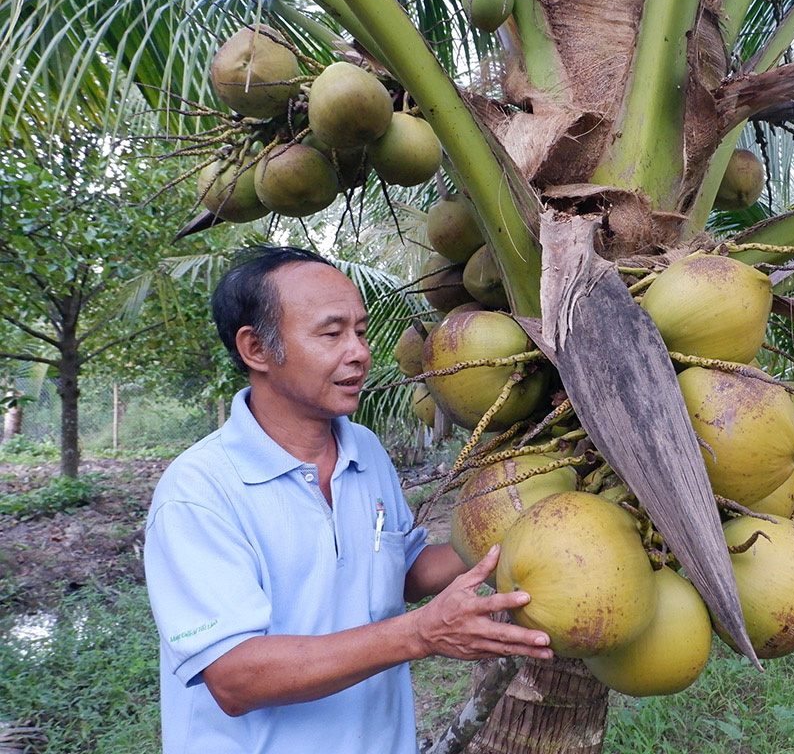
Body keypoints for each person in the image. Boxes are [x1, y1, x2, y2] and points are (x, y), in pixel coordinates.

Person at [144, 245, 553, 754]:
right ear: (257, 349)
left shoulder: (365, 451)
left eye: (359, 331)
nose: (359, 351)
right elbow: (235, 677)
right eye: (331, 333)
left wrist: (513, 525)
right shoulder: (198, 492)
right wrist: (419, 634)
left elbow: (399, 573)